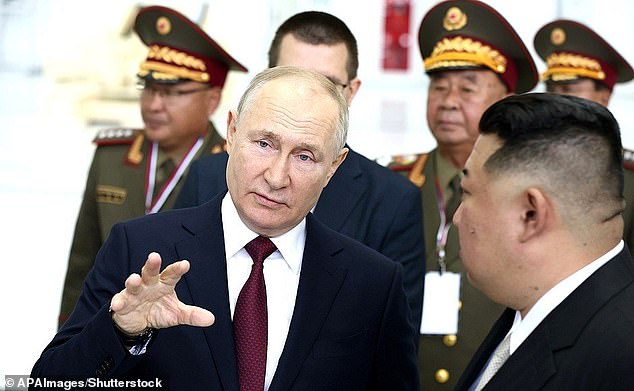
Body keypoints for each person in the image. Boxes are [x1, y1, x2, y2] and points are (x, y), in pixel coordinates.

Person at [32, 66, 419, 390]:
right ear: (232, 132)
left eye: (304, 156)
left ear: (334, 166)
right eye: (265, 143)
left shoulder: (372, 284)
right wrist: (121, 332)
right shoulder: (141, 247)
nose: (277, 175)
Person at [175, 11, 426, 333]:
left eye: (327, 84)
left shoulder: (393, 201)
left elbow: (390, 343)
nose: (304, 95)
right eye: (291, 76)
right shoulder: (209, 176)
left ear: (352, 91)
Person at [58, 5, 247, 327]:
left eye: (172, 93)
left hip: (188, 333)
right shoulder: (112, 156)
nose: (153, 105)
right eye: (149, 89)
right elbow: (82, 262)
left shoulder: (230, 166)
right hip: (107, 332)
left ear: (212, 100)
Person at [385, 0, 539, 388]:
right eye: (438, 86)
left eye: (468, 88)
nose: (449, 100)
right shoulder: (393, 183)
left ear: (505, 100)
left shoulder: (531, 194)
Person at [454, 92, 634, 390]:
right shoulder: (527, 304)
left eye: (468, 192)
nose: (459, 217)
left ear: (530, 214)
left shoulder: (620, 357)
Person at [533, 19, 634, 251]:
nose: (557, 103)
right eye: (551, 91)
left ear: (604, 97)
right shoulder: (527, 167)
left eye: (569, 91)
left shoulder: (629, 178)